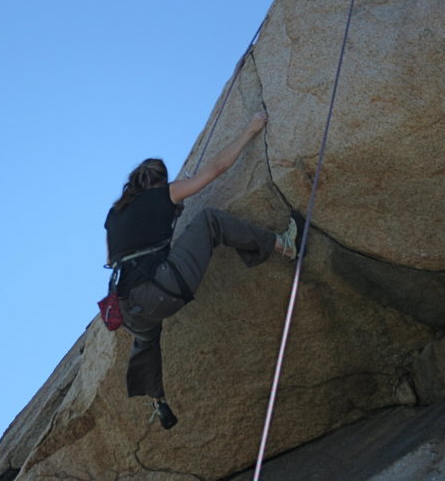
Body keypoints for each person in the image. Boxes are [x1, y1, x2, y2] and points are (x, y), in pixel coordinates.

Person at [104, 111, 303, 430]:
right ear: (158, 181)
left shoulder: (114, 216)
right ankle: (285, 245)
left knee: (147, 339)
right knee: (210, 220)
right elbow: (216, 169)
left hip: (127, 307)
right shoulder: (164, 194)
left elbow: (117, 257)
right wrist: (250, 129)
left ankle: (158, 399)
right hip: (162, 289)